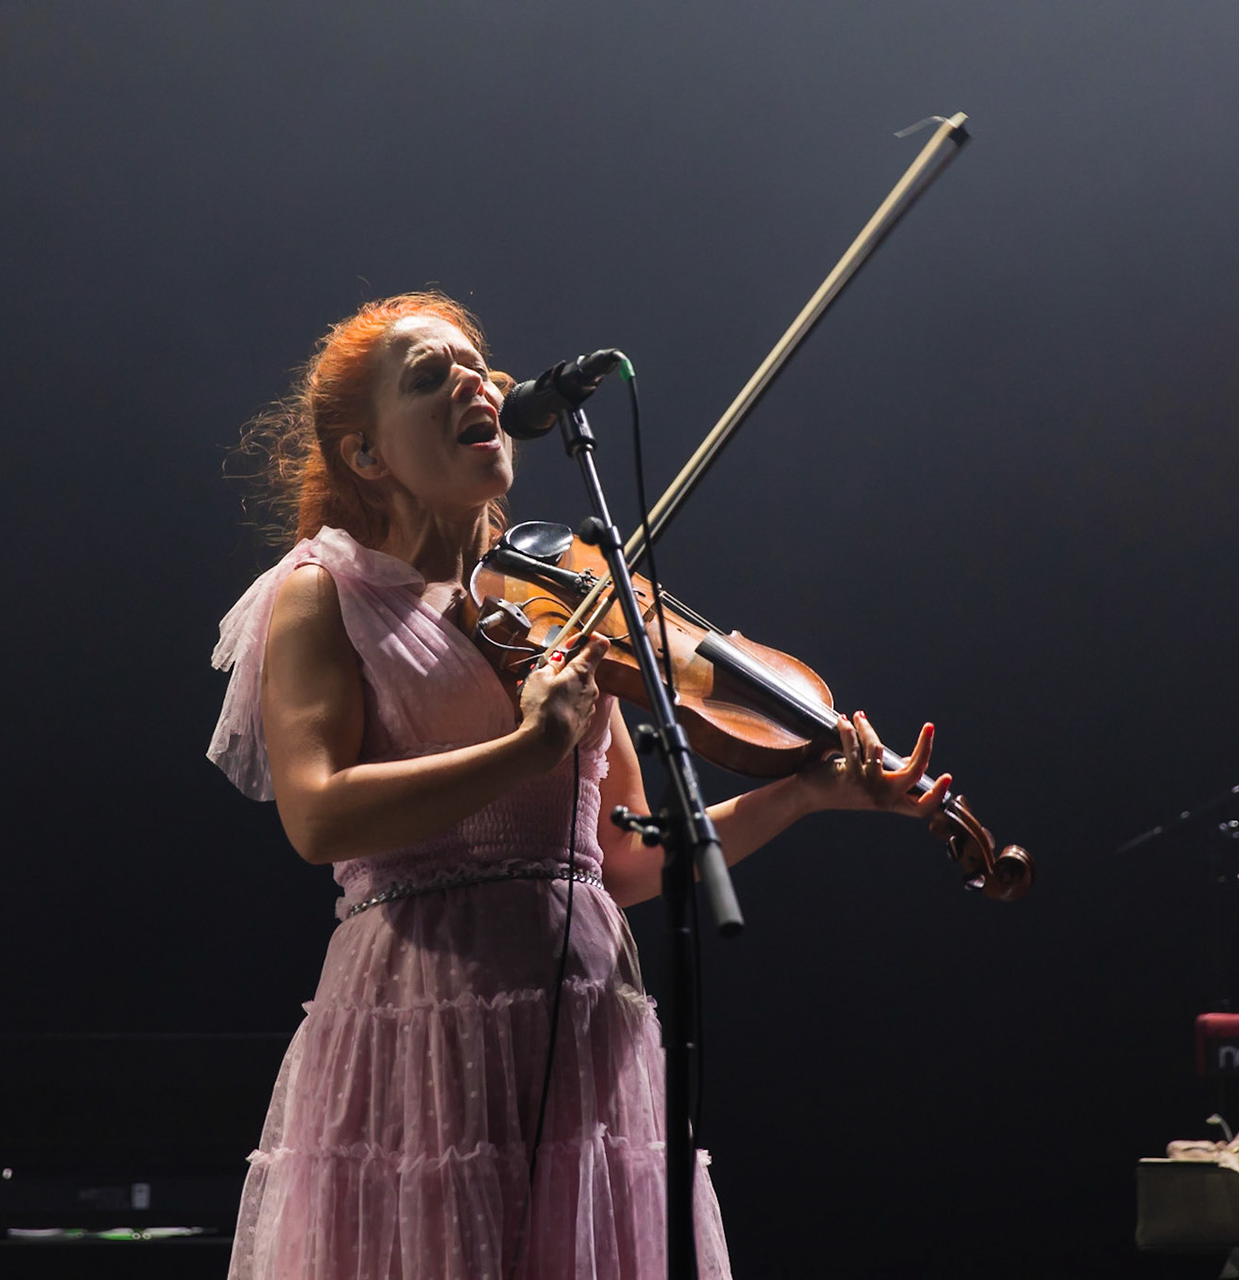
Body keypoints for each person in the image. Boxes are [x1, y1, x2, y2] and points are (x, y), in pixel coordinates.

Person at [209, 292, 950, 1279]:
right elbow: (317, 811)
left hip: (586, 1015)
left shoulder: (568, 603)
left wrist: (803, 793)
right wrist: (525, 748)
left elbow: (625, 860)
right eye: (431, 375)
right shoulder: (327, 591)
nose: (479, 381)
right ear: (367, 454)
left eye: (480, 364)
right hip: (425, 1017)